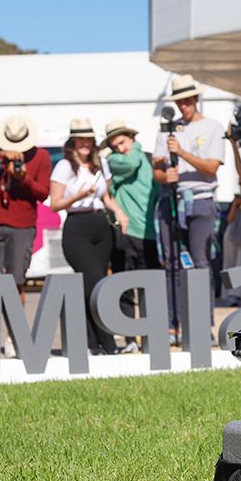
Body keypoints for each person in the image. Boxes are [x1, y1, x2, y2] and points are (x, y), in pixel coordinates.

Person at [152, 75, 225, 342]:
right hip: (172, 200)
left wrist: (181, 153)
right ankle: (172, 325)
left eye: (187, 100)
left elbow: (211, 167)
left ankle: (202, 324)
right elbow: (157, 170)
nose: (183, 106)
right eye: (179, 101)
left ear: (196, 99)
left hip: (202, 199)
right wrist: (164, 176)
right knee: (171, 263)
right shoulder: (167, 129)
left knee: (200, 262)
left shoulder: (213, 127)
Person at [51, 119, 122, 354]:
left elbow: (107, 197)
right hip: (77, 226)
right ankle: (108, 343)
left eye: (88, 139)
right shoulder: (64, 166)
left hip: (100, 225)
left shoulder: (100, 164)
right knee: (95, 285)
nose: (85, 143)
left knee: (93, 283)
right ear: (72, 142)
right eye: (80, 139)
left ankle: (92, 343)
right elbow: (55, 204)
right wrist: (78, 195)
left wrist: (120, 213)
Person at [0, 116, 52, 312]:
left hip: (23, 225)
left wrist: (23, 178)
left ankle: (14, 336)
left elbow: (43, 193)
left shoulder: (41, 156)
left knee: (16, 281)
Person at [104, 119, 157, 348]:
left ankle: (150, 335)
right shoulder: (114, 160)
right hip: (124, 230)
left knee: (150, 290)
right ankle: (129, 338)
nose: (120, 150)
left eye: (123, 143)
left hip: (148, 232)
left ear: (132, 138)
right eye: (115, 146)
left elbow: (131, 162)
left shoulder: (139, 157)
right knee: (124, 286)